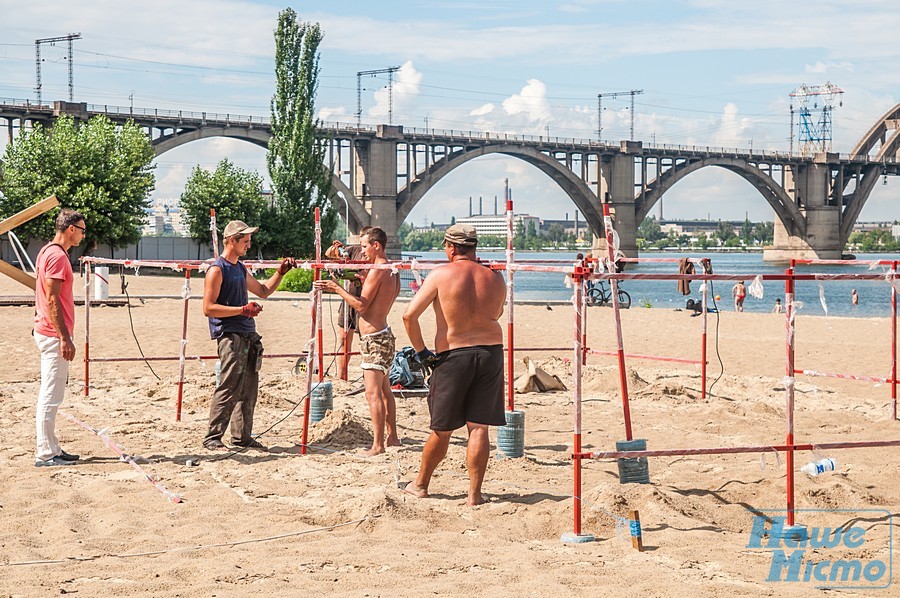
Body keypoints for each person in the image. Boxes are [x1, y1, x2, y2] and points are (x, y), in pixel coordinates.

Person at [400, 223, 507, 506]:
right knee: (479, 427)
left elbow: (409, 316)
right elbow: (496, 312)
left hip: (454, 354)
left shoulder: (440, 275)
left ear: (450, 248)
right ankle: (475, 495)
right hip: (490, 352)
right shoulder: (496, 278)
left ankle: (421, 484)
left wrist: (422, 352)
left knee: (442, 428)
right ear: (474, 248)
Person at [202, 220, 295, 451]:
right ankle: (213, 437)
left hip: (246, 333)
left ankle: (241, 437)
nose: (248, 245)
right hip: (230, 335)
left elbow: (263, 291)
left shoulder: (239, 268)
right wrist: (242, 310)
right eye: (245, 241)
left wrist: (280, 272)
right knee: (229, 385)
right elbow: (208, 308)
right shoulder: (217, 270)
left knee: (248, 388)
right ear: (231, 241)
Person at [314, 227, 400, 456]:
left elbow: (362, 305)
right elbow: (388, 296)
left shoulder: (378, 270)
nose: (361, 252)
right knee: (385, 391)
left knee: (373, 394)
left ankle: (378, 445)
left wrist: (337, 288)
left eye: (364, 247)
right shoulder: (392, 269)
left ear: (376, 245)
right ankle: (393, 437)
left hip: (374, 338)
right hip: (384, 333)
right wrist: (364, 280)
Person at [33, 209, 86, 467]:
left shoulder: (48, 251)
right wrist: (65, 338)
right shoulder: (55, 256)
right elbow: (52, 299)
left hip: (47, 330)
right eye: (82, 230)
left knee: (53, 393)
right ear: (71, 229)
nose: (84, 235)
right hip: (53, 334)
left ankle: (52, 447)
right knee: (51, 395)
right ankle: (45, 453)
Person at [325, 227, 371, 379]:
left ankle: (368, 377)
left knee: (366, 341)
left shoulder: (376, 256)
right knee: (343, 339)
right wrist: (336, 249)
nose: (362, 245)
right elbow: (329, 255)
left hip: (364, 301)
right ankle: (341, 376)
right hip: (348, 298)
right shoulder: (354, 250)